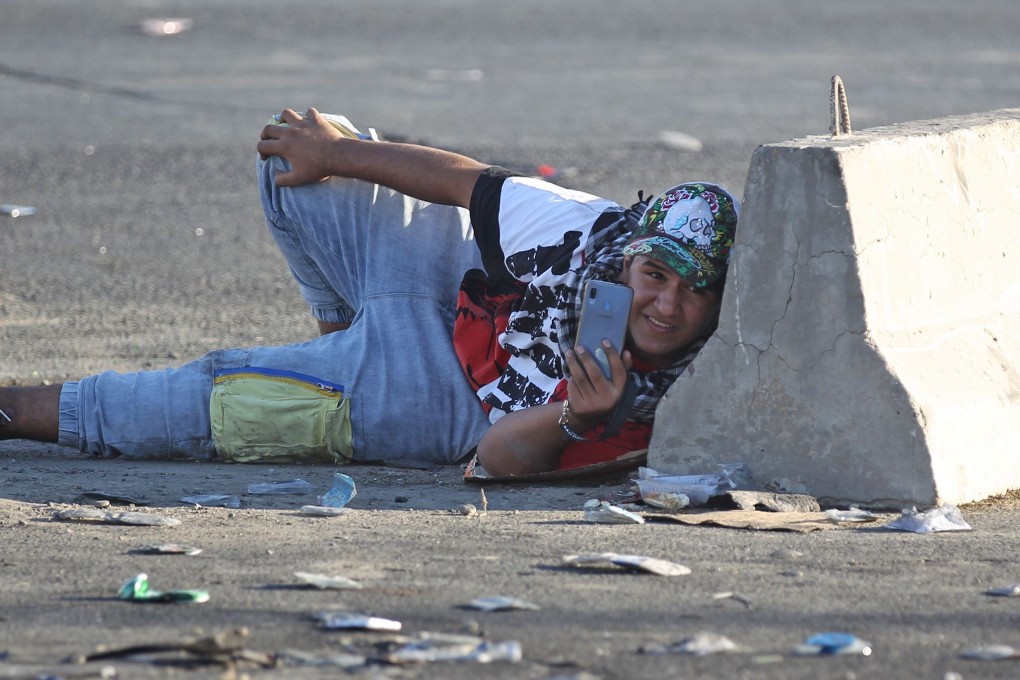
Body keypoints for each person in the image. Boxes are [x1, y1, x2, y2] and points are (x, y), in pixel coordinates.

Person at [0, 108, 739, 477]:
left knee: (209, 397)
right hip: (446, 280)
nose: (668, 307)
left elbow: (494, 456)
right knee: (291, 152)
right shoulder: (589, 230)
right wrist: (334, 152)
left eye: (695, 292)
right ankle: (338, 337)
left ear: (722, 299)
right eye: (656, 277)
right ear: (630, 257)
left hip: (440, 394)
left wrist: (578, 420)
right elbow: (461, 179)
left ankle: (9, 408)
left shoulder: (687, 388)